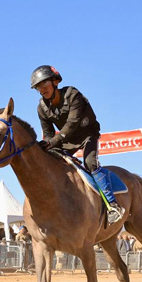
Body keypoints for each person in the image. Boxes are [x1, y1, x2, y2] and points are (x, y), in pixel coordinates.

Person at [31, 65, 125, 223]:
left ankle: (112, 205)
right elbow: (48, 134)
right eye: (38, 87)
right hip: (66, 140)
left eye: (44, 84)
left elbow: (72, 123)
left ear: (55, 82)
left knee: (90, 164)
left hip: (87, 135)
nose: (42, 89)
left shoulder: (72, 94)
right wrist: (46, 146)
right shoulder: (41, 108)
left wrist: (54, 141)